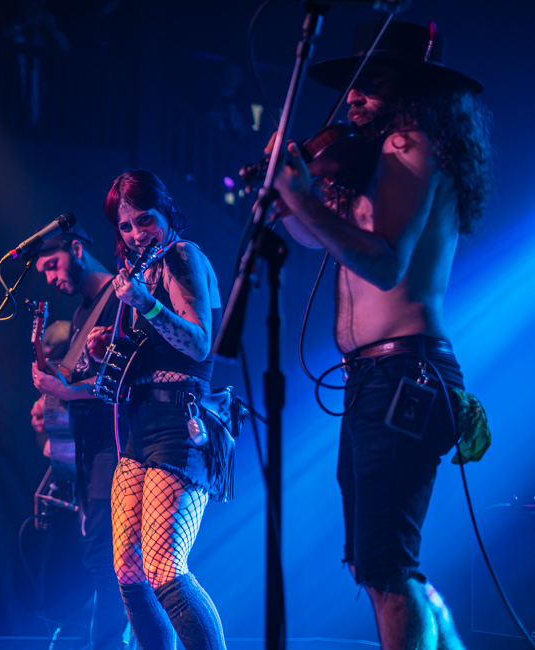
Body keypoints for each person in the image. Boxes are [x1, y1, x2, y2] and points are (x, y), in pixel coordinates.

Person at [271, 20, 493, 650]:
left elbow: (386, 260)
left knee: (385, 565)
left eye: (373, 84)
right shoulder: (375, 160)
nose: (353, 99)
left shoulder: (412, 145)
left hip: (406, 374)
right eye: (354, 86)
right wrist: (292, 199)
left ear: (412, 92)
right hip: (377, 379)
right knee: (372, 561)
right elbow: (321, 238)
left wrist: (302, 199)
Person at [87, 169, 231, 650]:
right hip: (139, 422)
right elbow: (147, 349)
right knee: (127, 567)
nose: (134, 234)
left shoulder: (183, 256)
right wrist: (107, 344)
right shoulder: (139, 273)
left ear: (165, 213)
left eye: (143, 220)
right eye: (124, 227)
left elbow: (197, 341)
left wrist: (146, 305)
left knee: (165, 565)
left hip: (181, 420)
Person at [29, 223, 132, 650]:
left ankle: (113, 645)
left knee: (109, 560)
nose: (52, 278)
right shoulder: (80, 313)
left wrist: (66, 390)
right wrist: (54, 397)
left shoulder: (118, 298)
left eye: (53, 266)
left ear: (77, 248)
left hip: (117, 443)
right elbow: (82, 378)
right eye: (44, 274)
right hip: (89, 449)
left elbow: (121, 376)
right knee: (99, 559)